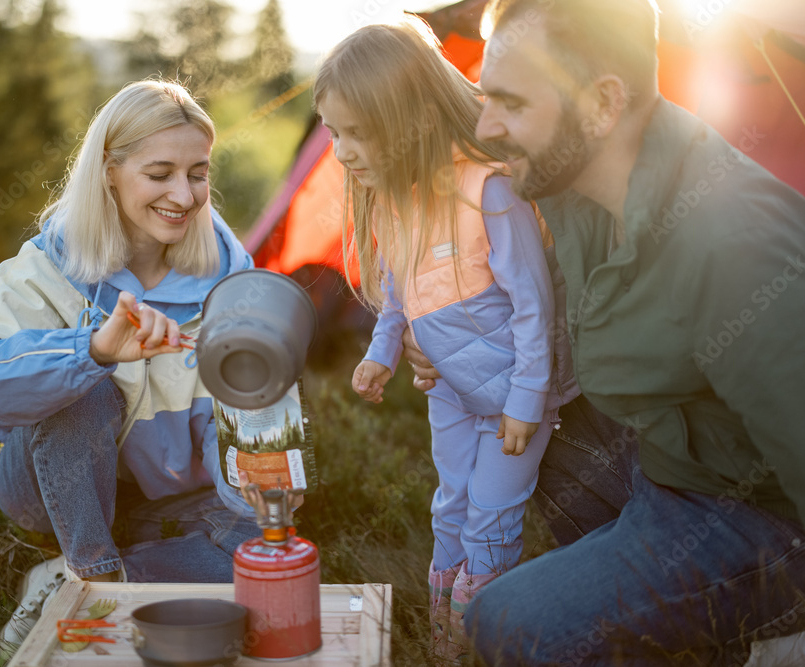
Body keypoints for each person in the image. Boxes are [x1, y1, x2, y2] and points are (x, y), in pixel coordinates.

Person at [399, 0, 805, 663]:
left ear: (602, 104)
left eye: (510, 103)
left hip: (765, 520)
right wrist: (439, 335)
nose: (485, 125)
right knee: (515, 414)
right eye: (484, 97)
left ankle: (768, 641)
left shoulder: (734, 246)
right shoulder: (570, 179)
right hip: (670, 458)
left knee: (512, 621)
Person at [0, 80, 260, 655]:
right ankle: (94, 572)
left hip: (168, 495)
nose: (184, 194)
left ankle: (75, 580)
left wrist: (245, 471)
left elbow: (232, 408)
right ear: (109, 170)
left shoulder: (231, 277)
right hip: (50, 487)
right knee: (85, 391)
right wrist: (92, 352)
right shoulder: (51, 264)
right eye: (160, 174)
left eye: (198, 173)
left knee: (263, 560)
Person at [313, 18, 579, 660]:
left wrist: (526, 399)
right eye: (333, 133)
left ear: (414, 119)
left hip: (515, 398)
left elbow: (533, 307)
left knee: (491, 517)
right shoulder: (400, 204)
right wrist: (381, 351)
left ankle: (486, 633)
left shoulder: (489, 192)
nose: (342, 151)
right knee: (449, 509)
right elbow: (404, 290)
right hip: (453, 395)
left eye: (358, 132)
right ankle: (446, 640)